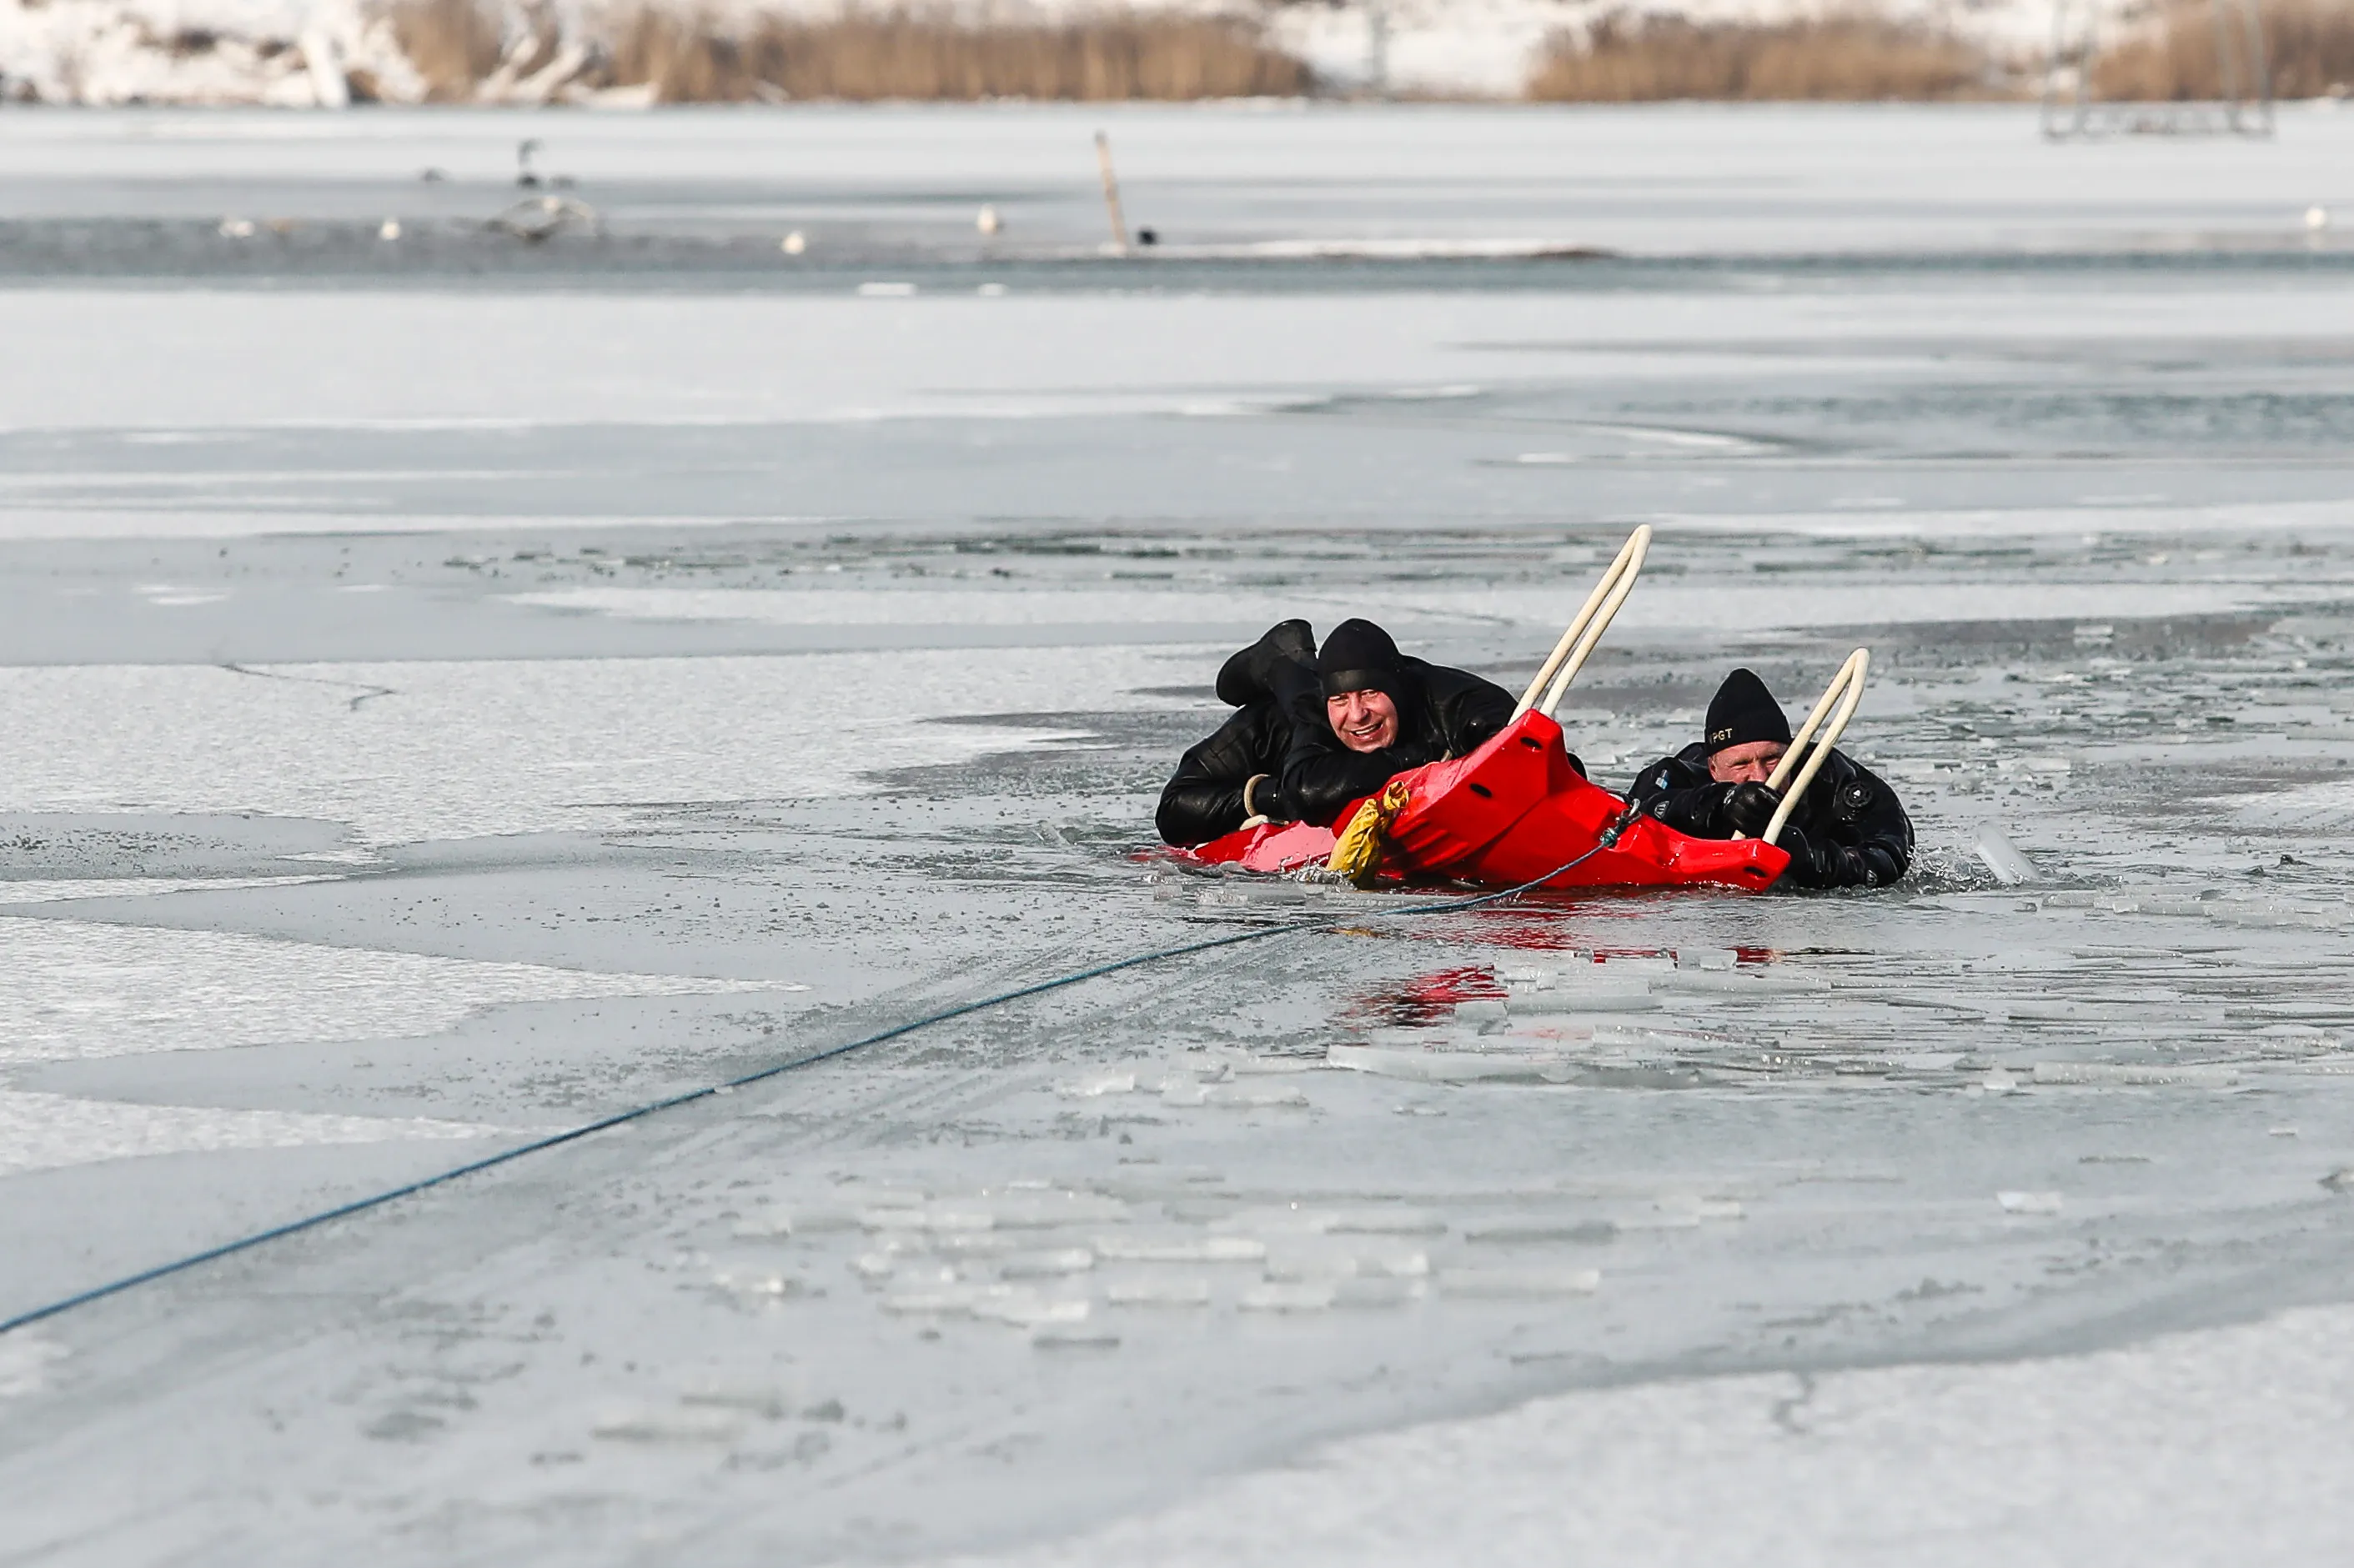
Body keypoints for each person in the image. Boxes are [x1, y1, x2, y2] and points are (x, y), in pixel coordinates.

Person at [1156, 618, 1548, 846]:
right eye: (1341, 698)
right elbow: (1306, 792)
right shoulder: (1300, 718)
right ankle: (1279, 662)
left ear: (1396, 690)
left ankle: (1287, 662)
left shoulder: (1460, 703)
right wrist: (1409, 761)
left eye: (1371, 694)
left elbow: (1538, 762)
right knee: (1305, 700)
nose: (1358, 715)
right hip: (1290, 726)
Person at [1627, 667, 1911, 889]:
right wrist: (1722, 804)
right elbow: (1635, 812)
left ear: (1791, 752)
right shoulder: (1683, 774)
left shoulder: (1834, 781)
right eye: (1741, 764)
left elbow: (1891, 856)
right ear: (1713, 768)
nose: (1760, 777)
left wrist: (1804, 857)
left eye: (1773, 759)